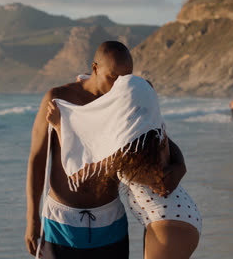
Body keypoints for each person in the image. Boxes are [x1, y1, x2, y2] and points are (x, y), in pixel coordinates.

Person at [25, 41, 187, 259]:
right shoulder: (59, 99)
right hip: (61, 223)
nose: (118, 85)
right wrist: (32, 219)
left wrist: (180, 165)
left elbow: (156, 137)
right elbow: (37, 159)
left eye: (125, 78)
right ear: (95, 68)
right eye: (112, 77)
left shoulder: (127, 100)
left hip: (110, 221)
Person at [45, 74, 201, 258]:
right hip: (177, 215)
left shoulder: (129, 154)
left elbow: (82, 171)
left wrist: (58, 127)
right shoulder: (152, 134)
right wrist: (181, 166)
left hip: (168, 225)